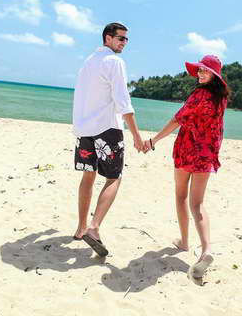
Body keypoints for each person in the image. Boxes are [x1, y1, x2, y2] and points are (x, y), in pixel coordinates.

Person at [146, 55, 230, 278]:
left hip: (187, 150)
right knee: (198, 204)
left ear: (214, 75)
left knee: (181, 196)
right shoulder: (221, 98)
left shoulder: (199, 94)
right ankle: (206, 249)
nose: (200, 74)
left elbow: (177, 120)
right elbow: (218, 129)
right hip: (206, 154)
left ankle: (184, 242)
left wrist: (154, 140)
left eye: (205, 70)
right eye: (199, 70)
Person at [72, 22, 146, 257]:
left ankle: (81, 228)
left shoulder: (88, 62)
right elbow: (123, 101)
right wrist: (136, 135)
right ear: (108, 38)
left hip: (84, 129)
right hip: (106, 128)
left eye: (126, 39)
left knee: (88, 176)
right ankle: (93, 228)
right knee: (114, 178)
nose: (124, 43)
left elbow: (80, 96)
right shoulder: (114, 62)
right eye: (120, 38)